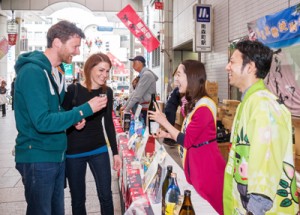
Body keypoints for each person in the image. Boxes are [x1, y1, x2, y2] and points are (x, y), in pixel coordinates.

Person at [13, 20, 107, 215]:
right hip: (38, 157)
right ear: (57, 43)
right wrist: (83, 111)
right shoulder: (33, 72)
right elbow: (42, 121)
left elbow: (54, 111)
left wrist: (71, 118)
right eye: (74, 46)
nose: (77, 52)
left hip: (54, 155)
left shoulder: (52, 73)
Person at [223, 40, 298, 214]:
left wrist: (254, 210)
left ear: (250, 67)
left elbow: (266, 162)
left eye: (232, 62)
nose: (227, 67)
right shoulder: (250, 102)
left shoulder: (263, 104)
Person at [148, 60, 225, 215]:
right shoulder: (195, 103)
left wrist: (163, 121)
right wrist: (168, 133)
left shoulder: (204, 107)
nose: (176, 80)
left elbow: (187, 140)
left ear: (192, 77)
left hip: (206, 169)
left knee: (210, 208)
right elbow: (191, 135)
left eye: (179, 75)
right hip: (197, 166)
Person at [62, 53, 122, 215]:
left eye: (108, 71)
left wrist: (115, 153)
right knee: (78, 200)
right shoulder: (72, 90)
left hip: (99, 149)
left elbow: (108, 123)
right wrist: (73, 122)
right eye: (101, 70)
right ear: (89, 68)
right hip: (74, 152)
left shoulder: (107, 92)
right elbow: (61, 119)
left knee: (106, 196)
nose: (105, 75)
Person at [121, 55, 158, 122]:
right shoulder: (142, 75)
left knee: (143, 129)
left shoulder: (146, 75)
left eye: (134, 63)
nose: (133, 65)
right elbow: (135, 92)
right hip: (142, 106)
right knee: (138, 127)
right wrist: (125, 106)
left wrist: (126, 109)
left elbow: (137, 95)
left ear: (140, 63)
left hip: (146, 108)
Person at [163, 68, 181, 146]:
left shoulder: (174, 89)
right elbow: (180, 98)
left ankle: (168, 138)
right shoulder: (178, 90)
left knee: (169, 124)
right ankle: (168, 140)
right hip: (171, 109)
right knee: (170, 124)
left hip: (168, 108)